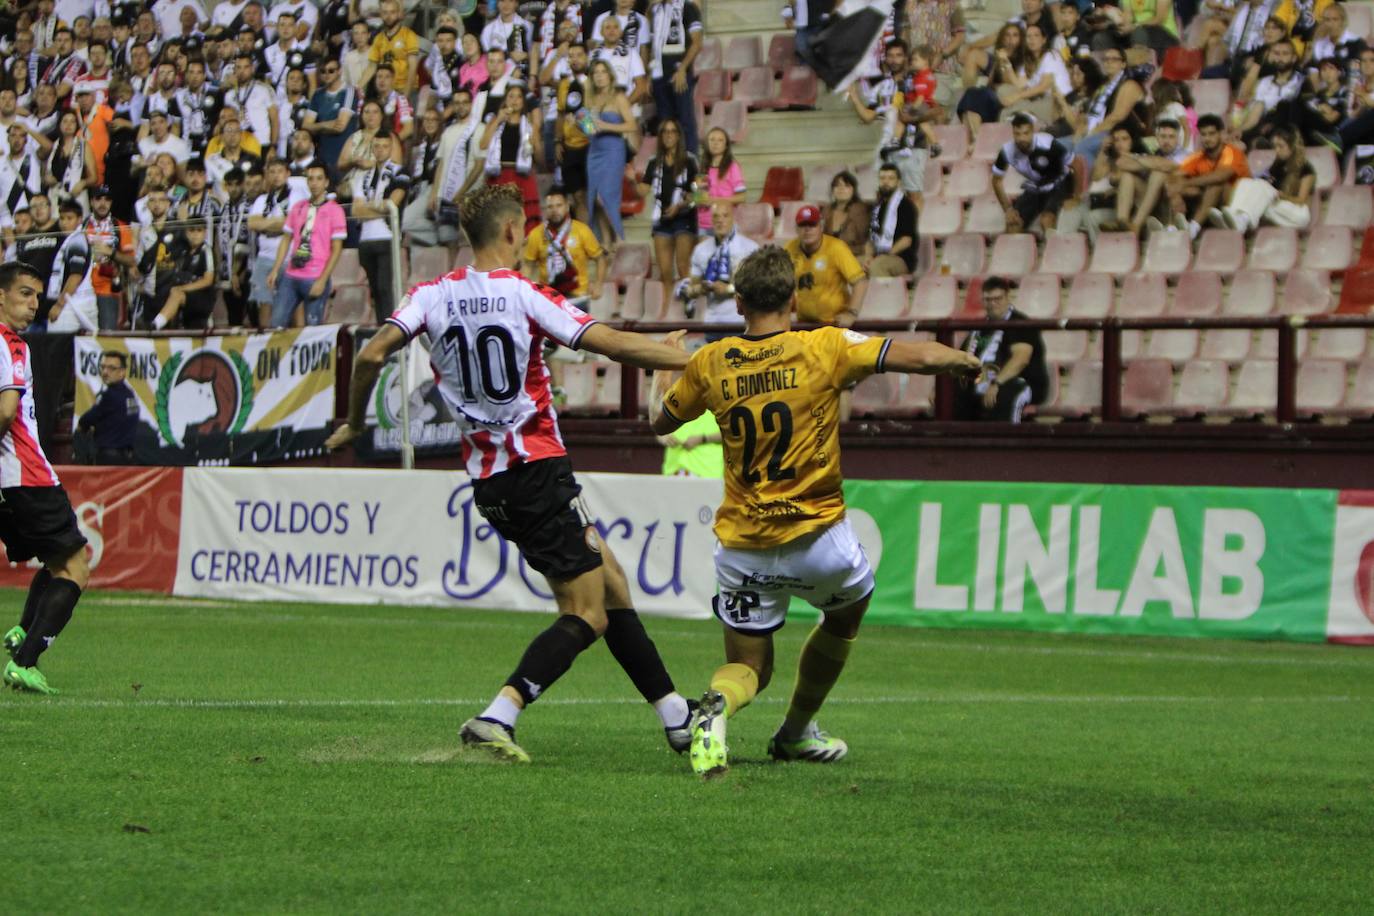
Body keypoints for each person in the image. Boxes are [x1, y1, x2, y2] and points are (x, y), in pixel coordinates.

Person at [325, 183, 698, 765]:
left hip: (490, 483)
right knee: (587, 612)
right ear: (509, 232)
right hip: (538, 471)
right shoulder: (525, 294)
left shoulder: (430, 295)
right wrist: (698, 358)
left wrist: (352, 421)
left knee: (613, 582)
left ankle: (676, 716)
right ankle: (499, 713)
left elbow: (371, 355)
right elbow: (615, 345)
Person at [647, 245, 982, 778]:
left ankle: (717, 705)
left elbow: (660, 424)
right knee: (849, 609)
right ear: (795, 297)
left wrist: (662, 370)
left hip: (741, 545)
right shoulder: (823, 346)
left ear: (738, 302)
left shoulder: (711, 360)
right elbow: (913, 355)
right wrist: (961, 360)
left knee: (748, 666)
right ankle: (797, 731)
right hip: (817, 539)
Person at [0, 260, 91, 695]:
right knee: (75, 567)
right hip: (27, 474)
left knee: (56, 558)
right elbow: (6, 410)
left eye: (38, 295)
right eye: (24, 294)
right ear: (1, 296)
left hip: (7, 480)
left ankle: (22, 633)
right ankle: (25, 660)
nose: (35, 304)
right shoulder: (11, 345)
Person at [953, 276, 1049, 422]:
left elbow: (1021, 359)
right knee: (952, 396)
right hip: (982, 381)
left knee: (1008, 394)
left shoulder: (1020, 323)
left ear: (1007, 297)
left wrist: (997, 383)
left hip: (1020, 382)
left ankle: (1007, 442)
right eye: (988, 300)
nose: (993, 304)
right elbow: (962, 358)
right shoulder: (979, 329)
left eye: (997, 299)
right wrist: (941, 388)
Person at [268, 161, 346, 327]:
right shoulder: (298, 207)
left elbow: (337, 249)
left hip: (315, 275)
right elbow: (286, 238)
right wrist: (276, 269)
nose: (314, 183)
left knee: (313, 329)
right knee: (276, 324)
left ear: (326, 182)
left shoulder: (335, 210)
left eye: (319, 179)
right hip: (292, 274)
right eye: (310, 179)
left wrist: (323, 280)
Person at [1207, 124, 1315, 231]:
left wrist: (1283, 196)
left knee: (1263, 188)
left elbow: (1301, 200)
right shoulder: (1278, 164)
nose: (1277, 150)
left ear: (1292, 146)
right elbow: (1265, 180)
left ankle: (1243, 219)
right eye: (1275, 146)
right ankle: (1234, 217)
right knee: (1246, 182)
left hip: (1297, 214)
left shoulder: (1305, 169)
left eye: (1281, 146)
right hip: (1279, 208)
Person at [350, 131, 409, 323]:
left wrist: (371, 208)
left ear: (391, 148)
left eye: (384, 146)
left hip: (387, 236)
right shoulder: (364, 176)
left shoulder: (400, 172)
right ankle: (381, 328)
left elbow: (393, 204)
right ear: (372, 149)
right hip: (365, 239)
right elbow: (356, 210)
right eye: (376, 146)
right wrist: (379, 207)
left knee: (386, 287)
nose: (380, 150)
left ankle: (391, 329)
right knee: (375, 290)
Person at [1166, 112, 1249, 238]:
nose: (1207, 138)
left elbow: (1220, 176)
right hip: (1211, 204)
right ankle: (1171, 226)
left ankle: (1193, 227)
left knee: (1215, 184)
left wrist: (1186, 183)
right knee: (1184, 188)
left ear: (1221, 135)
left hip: (1237, 204)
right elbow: (1175, 176)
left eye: (1211, 134)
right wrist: (1175, 194)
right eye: (1203, 134)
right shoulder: (1198, 156)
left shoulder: (1232, 152)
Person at [638, 118, 698, 289]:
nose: (668, 135)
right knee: (665, 273)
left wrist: (679, 205)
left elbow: (699, 193)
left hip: (684, 218)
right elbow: (643, 190)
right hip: (661, 218)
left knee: (682, 267)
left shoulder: (690, 160)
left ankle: (690, 307)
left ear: (679, 136)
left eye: (672, 131)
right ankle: (666, 311)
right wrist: (630, 180)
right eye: (665, 131)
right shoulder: (653, 161)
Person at [784, 204, 868, 326]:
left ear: (821, 227)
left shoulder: (836, 248)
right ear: (796, 229)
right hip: (803, 323)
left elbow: (860, 282)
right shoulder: (789, 249)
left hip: (833, 323)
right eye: (802, 225)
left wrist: (851, 313)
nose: (807, 230)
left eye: (812, 225)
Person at [247, 158, 306, 327]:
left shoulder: (297, 197)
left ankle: (299, 338)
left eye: (280, 171)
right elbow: (252, 224)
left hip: (289, 256)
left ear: (287, 173)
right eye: (272, 172)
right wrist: (279, 223)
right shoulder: (262, 200)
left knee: (295, 302)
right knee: (264, 302)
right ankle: (266, 340)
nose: (276, 176)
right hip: (264, 256)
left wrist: (266, 224)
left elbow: (294, 224)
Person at [682, 201, 757, 336]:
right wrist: (701, 288)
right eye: (716, 217)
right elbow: (691, 289)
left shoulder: (750, 248)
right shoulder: (701, 250)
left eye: (725, 216)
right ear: (711, 220)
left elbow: (757, 286)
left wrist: (728, 289)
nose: (720, 221)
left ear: (733, 219)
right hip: (712, 322)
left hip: (740, 322)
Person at [993, 112, 1075, 233]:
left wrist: (1077, 197)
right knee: (1013, 223)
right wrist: (1008, 209)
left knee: (1046, 220)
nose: (1021, 138)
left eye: (1025, 133)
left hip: (1061, 182)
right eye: (1017, 134)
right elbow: (996, 181)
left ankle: (1053, 249)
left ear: (1032, 132)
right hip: (1038, 185)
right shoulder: (1007, 151)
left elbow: (1076, 164)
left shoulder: (1048, 143)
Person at [521, 185, 607, 299]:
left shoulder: (582, 230)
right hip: (548, 297)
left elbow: (600, 258)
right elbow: (528, 265)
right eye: (550, 207)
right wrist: (523, 290)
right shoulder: (536, 234)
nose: (554, 210)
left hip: (578, 295)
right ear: (545, 209)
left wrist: (598, 285)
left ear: (567, 206)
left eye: (559, 205)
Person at [584, 58, 634, 244]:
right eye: (595, 73)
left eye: (602, 72)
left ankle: (620, 240)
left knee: (606, 197)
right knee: (595, 199)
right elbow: (590, 130)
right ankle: (605, 241)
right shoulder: (590, 99)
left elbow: (631, 125)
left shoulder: (618, 97)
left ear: (609, 75)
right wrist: (580, 124)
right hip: (594, 151)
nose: (599, 76)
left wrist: (606, 125)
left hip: (613, 151)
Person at [648, 0, 704, 154]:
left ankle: (691, 160)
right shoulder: (656, 10)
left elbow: (697, 43)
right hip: (658, 74)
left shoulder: (688, 7)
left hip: (678, 73)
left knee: (685, 121)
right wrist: (649, 76)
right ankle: (668, 161)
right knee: (665, 124)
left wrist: (683, 69)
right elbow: (653, 46)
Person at [82, 184, 135, 329]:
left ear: (111, 203)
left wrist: (110, 252)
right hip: (83, 291)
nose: (103, 203)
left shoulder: (121, 227)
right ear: (92, 201)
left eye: (107, 199)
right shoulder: (82, 226)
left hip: (108, 291)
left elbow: (131, 261)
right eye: (99, 199)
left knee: (107, 336)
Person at [147, 222, 216, 329]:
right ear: (186, 232)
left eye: (199, 230)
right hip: (188, 297)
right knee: (168, 291)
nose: (195, 234)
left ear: (205, 233)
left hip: (203, 297)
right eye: (191, 230)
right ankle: (164, 326)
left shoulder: (206, 250)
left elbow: (208, 280)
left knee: (176, 293)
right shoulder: (184, 252)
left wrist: (182, 288)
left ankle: (156, 324)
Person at [77, 349, 137, 464]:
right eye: (103, 367)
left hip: (109, 458)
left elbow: (85, 420)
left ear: (122, 372)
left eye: (111, 368)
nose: (105, 372)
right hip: (127, 457)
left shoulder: (110, 396)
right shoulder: (129, 395)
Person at [47, 200, 98, 332]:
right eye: (62, 218)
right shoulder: (72, 239)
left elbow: (75, 276)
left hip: (73, 304)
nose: (64, 223)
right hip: (81, 301)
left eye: (70, 218)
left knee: (57, 348)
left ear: (79, 220)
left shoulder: (77, 240)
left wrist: (59, 305)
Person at [864, 162, 917, 277]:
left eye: (890, 178)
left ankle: (882, 295)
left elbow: (906, 240)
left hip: (899, 257)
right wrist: (868, 256)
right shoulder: (877, 206)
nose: (886, 182)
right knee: (853, 263)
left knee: (878, 265)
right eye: (882, 178)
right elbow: (871, 238)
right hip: (878, 255)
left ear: (898, 182)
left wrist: (886, 255)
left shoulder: (905, 205)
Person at [696, 126, 745, 236]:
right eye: (712, 140)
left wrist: (715, 200)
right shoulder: (702, 168)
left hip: (725, 224)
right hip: (703, 225)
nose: (715, 143)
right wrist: (699, 199)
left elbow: (741, 197)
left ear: (726, 145)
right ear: (706, 144)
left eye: (720, 140)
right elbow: (699, 198)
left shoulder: (733, 167)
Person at [821, 171, 871, 258]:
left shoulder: (859, 210)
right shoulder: (826, 210)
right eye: (837, 185)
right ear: (832, 189)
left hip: (854, 255)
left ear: (853, 190)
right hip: (829, 256)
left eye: (846, 186)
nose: (841, 188)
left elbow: (864, 240)